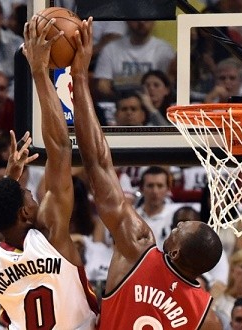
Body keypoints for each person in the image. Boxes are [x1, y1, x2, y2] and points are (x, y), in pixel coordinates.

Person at [70, 17, 223, 329]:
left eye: (178, 229)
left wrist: (80, 78)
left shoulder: (137, 246)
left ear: (176, 251)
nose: (172, 229)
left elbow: (97, 162)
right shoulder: (207, 318)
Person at [0, 15, 99, 329]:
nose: (35, 196)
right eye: (29, 195)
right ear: (25, 212)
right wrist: (40, 72)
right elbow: (61, 149)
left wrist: (9, 181)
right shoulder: (52, 237)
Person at [92, 20, 175, 101]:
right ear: (127, 21)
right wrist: (123, 101)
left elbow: (169, 82)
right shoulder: (111, 48)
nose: (141, 22)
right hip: (119, 104)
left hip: (154, 104)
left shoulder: (165, 50)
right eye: (137, 19)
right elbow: (102, 85)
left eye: (146, 19)